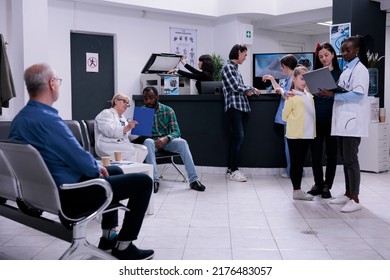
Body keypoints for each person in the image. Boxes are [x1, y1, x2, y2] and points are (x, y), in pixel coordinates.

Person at [9, 63, 154, 260]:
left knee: (115, 172)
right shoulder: (48, 120)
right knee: (143, 182)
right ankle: (125, 246)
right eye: (58, 81)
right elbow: (81, 160)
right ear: (52, 84)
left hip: (40, 192)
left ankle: (109, 236)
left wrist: (99, 167)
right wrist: (95, 167)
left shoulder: (20, 119)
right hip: (71, 194)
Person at [320, 35, 370, 213]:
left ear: (356, 50)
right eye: (342, 50)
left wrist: (333, 95)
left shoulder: (360, 70)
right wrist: (328, 91)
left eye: (347, 50)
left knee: (351, 161)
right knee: (345, 159)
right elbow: (342, 89)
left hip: (352, 122)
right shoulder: (347, 70)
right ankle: (348, 193)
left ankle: (355, 199)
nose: (344, 54)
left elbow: (358, 94)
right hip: (342, 121)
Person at [140, 86, 206, 193]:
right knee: (147, 142)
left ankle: (194, 180)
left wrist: (166, 139)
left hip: (167, 142)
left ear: (157, 97)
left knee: (183, 142)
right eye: (146, 98)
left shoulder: (168, 110)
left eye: (151, 98)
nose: (148, 101)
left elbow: (177, 131)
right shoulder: (143, 111)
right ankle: (154, 181)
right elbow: (141, 135)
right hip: (152, 142)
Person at [307, 42, 342, 199]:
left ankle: (328, 185)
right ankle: (318, 184)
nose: (324, 58)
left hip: (333, 119)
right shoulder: (315, 74)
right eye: (321, 56)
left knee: (331, 154)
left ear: (333, 55)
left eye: (326, 55)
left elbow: (342, 96)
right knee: (315, 155)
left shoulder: (340, 74)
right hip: (316, 118)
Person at [221, 44, 260, 182]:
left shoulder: (235, 69)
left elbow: (238, 89)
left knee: (237, 139)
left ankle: (231, 169)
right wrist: (251, 88)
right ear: (238, 52)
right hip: (234, 108)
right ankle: (233, 170)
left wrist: (247, 91)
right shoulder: (228, 68)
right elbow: (235, 87)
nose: (245, 57)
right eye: (245, 54)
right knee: (238, 138)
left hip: (240, 108)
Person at [282, 65, 315, 201]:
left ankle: (298, 190)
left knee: (300, 162)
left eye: (306, 79)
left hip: (307, 134)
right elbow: (285, 116)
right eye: (302, 78)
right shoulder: (291, 97)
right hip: (295, 135)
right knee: (296, 163)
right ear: (294, 79)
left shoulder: (309, 95)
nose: (304, 81)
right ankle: (297, 190)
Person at [262, 54, 298, 178]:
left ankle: (292, 172)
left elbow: (286, 95)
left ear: (286, 66)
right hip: (289, 117)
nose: (281, 69)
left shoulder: (293, 79)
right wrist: (272, 80)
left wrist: (282, 91)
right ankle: (295, 171)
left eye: (282, 67)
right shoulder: (290, 78)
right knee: (291, 146)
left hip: (290, 117)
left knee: (290, 147)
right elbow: (281, 91)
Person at [95, 93, 148, 162]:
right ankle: (129, 171)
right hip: (107, 144)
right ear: (116, 101)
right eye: (124, 102)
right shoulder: (106, 113)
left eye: (127, 104)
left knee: (143, 149)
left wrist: (138, 129)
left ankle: (133, 170)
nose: (126, 105)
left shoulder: (122, 118)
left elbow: (127, 134)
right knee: (131, 151)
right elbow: (108, 130)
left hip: (120, 144)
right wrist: (128, 127)